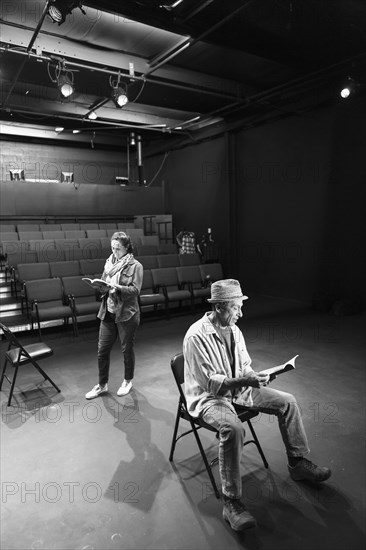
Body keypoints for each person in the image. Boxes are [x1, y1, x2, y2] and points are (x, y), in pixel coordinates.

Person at [183, 279, 331, 531]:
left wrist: (259, 376)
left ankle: (297, 464)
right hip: (210, 398)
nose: (241, 313)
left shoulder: (234, 331)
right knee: (234, 429)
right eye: (236, 307)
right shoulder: (196, 336)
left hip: (239, 389)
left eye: (241, 306)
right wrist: (245, 379)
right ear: (219, 307)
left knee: (288, 401)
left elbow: (244, 367)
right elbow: (211, 384)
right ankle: (231, 502)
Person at [85, 232, 143, 399]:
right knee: (102, 350)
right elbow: (105, 281)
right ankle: (102, 385)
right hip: (108, 311)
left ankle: (127, 380)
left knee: (126, 349)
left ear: (126, 248)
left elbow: (135, 290)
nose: (114, 252)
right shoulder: (109, 263)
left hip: (127, 313)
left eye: (118, 249)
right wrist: (100, 286)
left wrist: (116, 287)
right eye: (112, 248)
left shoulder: (136, 266)